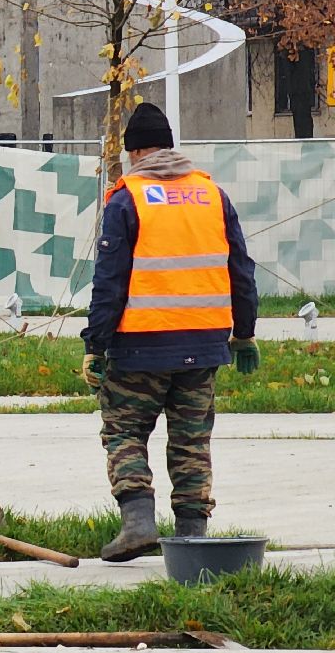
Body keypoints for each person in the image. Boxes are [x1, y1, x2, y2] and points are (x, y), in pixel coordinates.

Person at [82, 103, 259, 561]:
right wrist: (244, 333)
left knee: (124, 431)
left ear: (135, 152)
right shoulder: (212, 195)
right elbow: (241, 269)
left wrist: (95, 345)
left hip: (139, 348)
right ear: (170, 147)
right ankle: (192, 538)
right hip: (204, 346)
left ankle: (139, 524)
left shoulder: (128, 198)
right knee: (191, 441)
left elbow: (109, 282)